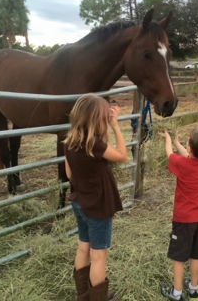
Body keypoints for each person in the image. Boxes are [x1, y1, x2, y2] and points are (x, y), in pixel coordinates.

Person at [63, 94, 127, 301]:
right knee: (98, 255)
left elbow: (69, 175)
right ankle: (98, 297)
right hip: (98, 206)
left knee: (83, 247)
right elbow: (122, 156)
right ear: (97, 119)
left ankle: (83, 294)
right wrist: (116, 126)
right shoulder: (96, 146)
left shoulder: (69, 142)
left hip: (79, 202)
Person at [158, 126, 198, 301]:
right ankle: (193, 288)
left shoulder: (182, 164)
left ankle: (176, 293)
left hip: (184, 219)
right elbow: (189, 156)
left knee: (179, 257)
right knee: (195, 254)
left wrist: (168, 139)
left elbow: (170, 154)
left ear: (190, 147)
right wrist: (178, 141)